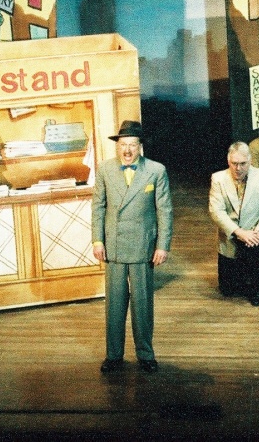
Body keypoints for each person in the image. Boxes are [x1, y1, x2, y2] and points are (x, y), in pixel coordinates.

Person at [92, 120, 174, 374]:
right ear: (117, 146)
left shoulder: (156, 171)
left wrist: (162, 245)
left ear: (140, 147)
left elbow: (164, 211)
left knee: (143, 304)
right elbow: (98, 207)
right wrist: (97, 240)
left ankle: (145, 355)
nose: (127, 150)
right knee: (114, 305)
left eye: (132, 145)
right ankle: (113, 356)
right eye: (123, 145)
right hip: (114, 246)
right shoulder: (105, 169)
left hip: (143, 246)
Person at [209, 142, 259, 305]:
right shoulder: (218, 178)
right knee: (227, 290)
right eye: (234, 163)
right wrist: (239, 232)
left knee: (253, 282)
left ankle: (255, 286)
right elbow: (216, 211)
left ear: (250, 161)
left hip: (254, 236)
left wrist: (258, 232)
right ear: (228, 161)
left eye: (243, 164)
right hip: (230, 236)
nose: (238, 168)